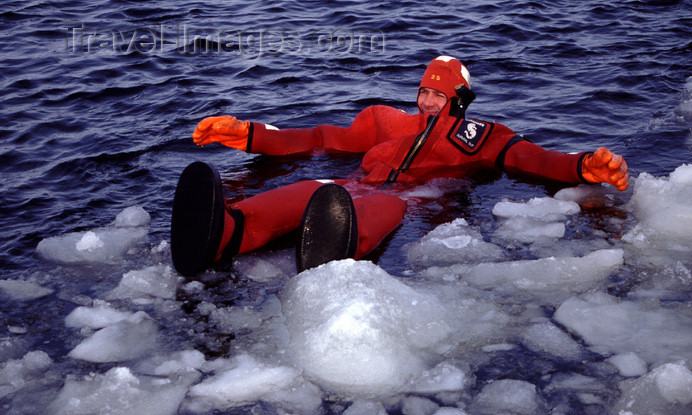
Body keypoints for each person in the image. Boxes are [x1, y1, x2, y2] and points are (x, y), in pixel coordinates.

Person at [171, 55, 629, 276]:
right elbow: (318, 138)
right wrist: (251, 134)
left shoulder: (482, 137)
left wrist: (583, 166)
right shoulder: (385, 123)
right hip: (352, 183)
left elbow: (531, 159)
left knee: (372, 212)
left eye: (439, 94)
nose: (428, 101)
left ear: (458, 101)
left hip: (406, 198)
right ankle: (224, 232)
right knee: (310, 189)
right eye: (424, 92)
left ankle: (336, 246)